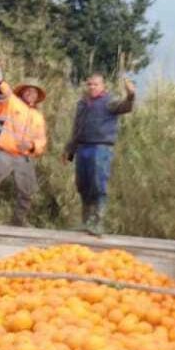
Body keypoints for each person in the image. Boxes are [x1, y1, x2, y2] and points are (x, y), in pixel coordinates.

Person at [0, 61, 47, 227]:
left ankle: (19, 221)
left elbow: (42, 141)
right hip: (4, 153)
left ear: (37, 96)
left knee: (28, 191)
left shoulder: (39, 117)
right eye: (28, 90)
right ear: (23, 92)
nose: (31, 93)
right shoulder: (10, 101)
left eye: (34, 92)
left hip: (24, 158)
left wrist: (32, 145)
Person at [64, 73, 137, 235]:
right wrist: (70, 150)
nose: (92, 87)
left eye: (96, 84)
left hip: (100, 147)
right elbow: (77, 129)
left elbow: (125, 106)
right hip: (83, 147)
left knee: (98, 184)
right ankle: (86, 221)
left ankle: (98, 222)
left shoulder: (109, 101)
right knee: (83, 184)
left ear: (103, 86)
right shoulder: (82, 104)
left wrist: (131, 95)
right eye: (89, 84)